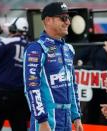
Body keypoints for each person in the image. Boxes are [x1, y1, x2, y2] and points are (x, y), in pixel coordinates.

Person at [23, 2, 83, 131]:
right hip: (47, 120)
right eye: (63, 18)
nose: (68, 22)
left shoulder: (68, 49)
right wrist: (42, 120)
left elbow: (72, 85)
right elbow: (32, 88)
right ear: (48, 20)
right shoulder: (36, 49)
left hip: (66, 120)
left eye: (68, 18)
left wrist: (76, 116)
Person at [0, 17, 30, 131]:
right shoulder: (31, 46)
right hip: (21, 95)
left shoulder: (5, 42)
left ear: (13, 28)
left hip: (2, 93)